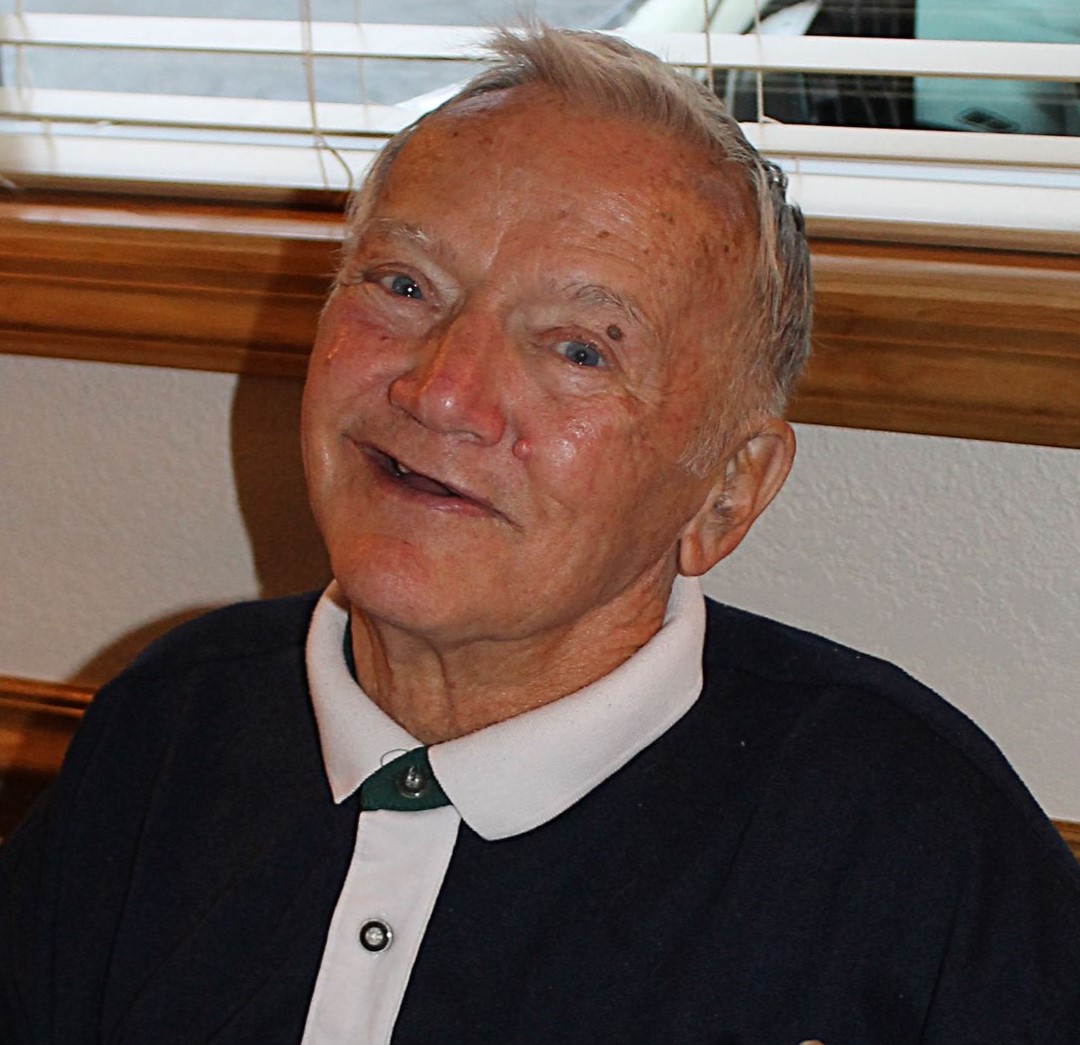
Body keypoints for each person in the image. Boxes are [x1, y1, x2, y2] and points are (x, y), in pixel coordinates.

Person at [2, 25, 1079, 1045]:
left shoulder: (914, 843)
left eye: (579, 349)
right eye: (404, 284)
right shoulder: (168, 725)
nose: (441, 391)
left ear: (726, 493)